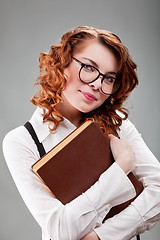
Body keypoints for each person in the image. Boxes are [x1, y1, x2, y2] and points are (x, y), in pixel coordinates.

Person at [3, 26, 160, 240]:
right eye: (88, 67)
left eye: (109, 78)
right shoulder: (22, 141)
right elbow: (60, 231)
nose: (97, 84)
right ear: (62, 62)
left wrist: (101, 236)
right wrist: (119, 170)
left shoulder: (118, 126)